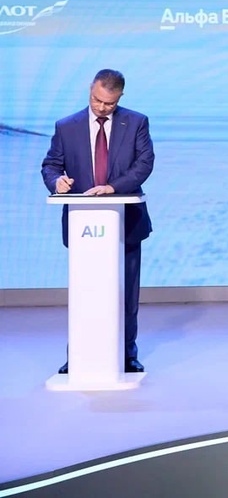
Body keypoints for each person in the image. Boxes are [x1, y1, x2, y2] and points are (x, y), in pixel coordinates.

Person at [41, 69, 155, 374]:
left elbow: (144, 164)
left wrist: (113, 187)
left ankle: (127, 354)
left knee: (126, 293)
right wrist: (56, 182)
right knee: (85, 290)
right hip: (83, 226)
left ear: (120, 97)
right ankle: (79, 355)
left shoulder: (136, 122)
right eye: (96, 100)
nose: (101, 107)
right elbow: (51, 165)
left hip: (127, 222)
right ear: (90, 89)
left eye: (109, 103)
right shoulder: (67, 126)